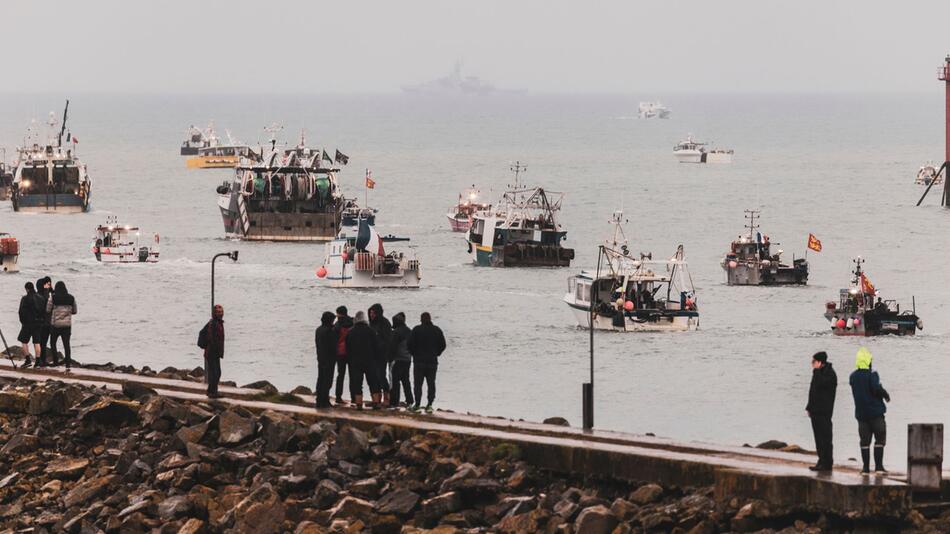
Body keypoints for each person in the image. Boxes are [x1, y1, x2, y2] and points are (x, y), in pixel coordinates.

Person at [849, 347, 890, 474]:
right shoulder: (872, 375)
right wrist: (885, 394)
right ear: (868, 361)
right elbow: (876, 389)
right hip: (876, 413)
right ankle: (878, 467)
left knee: (864, 442)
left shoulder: (853, 377)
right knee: (880, 439)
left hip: (861, 414)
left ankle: (865, 468)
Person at [407, 312, 446, 413]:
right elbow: (443, 345)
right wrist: (437, 353)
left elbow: (409, 344)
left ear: (421, 319)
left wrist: (414, 354)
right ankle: (429, 404)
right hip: (432, 361)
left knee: (418, 384)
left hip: (419, 361)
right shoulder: (437, 330)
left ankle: (417, 404)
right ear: (430, 319)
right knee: (431, 383)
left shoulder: (416, 330)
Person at [805, 351, 837, 472]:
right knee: (818, 438)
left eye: (814, 362)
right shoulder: (817, 373)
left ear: (820, 362)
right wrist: (809, 407)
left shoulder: (830, 374)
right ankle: (821, 460)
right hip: (815, 410)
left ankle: (827, 462)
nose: (812, 364)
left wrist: (817, 371)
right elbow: (813, 391)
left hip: (824, 411)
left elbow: (821, 385)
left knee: (826, 438)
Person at [344, 311, 380, 410]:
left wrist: (350, 360)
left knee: (357, 383)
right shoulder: (371, 331)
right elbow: (376, 346)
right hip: (370, 360)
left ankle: (359, 404)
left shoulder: (350, 332)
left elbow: (348, 348)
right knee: (373, 382)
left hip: (355, 361)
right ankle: (376, 402)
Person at [47, 281, 78, 369]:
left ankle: (56, 362)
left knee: (53, 343)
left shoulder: (53, 298)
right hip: (67, 326)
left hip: (55, 325)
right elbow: (75, 311)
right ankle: (68, 363)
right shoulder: (71, 298)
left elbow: (48, 310)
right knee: (66, 344)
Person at [388, 312, 414, 408]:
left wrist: (390, 359)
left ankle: (394, 402)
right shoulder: (409, 331)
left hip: (397, 359)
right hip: (407, 359)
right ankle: (410, 400)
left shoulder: (396, 332)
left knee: (395, 381)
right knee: (406, 380)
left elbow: (392, 347)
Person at [368, 303, 392, 405]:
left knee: (381, 375)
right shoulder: (371, 324)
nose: (371, 315)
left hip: (382, 354)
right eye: (370, 313)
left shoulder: (385, 323)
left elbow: (388, 339)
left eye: (373, 313)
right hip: (372, 354)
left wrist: (380, 346)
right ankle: (376, 399)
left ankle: (386, 397)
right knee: (373, 377)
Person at [314, 311, 337, 408]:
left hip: (321, 357)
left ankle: (319, 400)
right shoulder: (329, 331)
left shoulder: (318, 330)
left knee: (320, 379)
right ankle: (325, 400)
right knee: (327, 380)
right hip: (329, 359)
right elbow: (332, 346)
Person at [203, 305, 225, 398]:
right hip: (211, 352)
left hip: (216, 352)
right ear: (214, 313)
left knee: (217, 373)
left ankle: (212, 391)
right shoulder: (213, 323)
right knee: (215, 373)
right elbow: (210, 337)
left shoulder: (219, 323)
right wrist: (211, 346)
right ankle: (212, 392)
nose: (220, 313)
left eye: (221, 312)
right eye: (218, 312)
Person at [333, 306, 354, 405]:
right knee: (353, 375)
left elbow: (334, 339)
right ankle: (354, 397)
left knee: (340, 375)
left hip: (340, 352)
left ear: (339, 314)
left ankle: (338, 397)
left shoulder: (337, 325)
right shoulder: (352, 323)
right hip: (351, 352)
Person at [17, 282, 38, 367]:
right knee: (37, 342)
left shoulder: (25, 298)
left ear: (27, 289)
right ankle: (38, 362)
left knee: (23, 341)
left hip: (27, 324)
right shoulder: (39, 297)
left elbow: (20, 311)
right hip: (38, 323)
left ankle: (28, 360)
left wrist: (23, 322)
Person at [34, 277, 52, 367]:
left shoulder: (37, 295)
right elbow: (45, 307)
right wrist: (47, 291)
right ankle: (41, 360)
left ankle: (41, 360)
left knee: (40, 342)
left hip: (40, 322)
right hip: (44, 322)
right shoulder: (43, 296)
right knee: (42, 343)